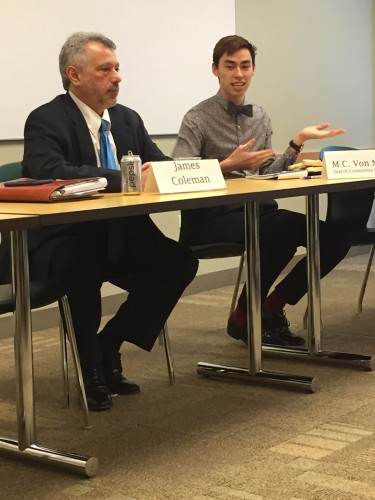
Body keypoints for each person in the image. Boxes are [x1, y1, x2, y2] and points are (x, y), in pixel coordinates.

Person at [22, 32, 199, 411]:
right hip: (64, 239)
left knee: (180, 262)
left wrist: (189, 172)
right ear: (74, 75)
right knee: (82, 268)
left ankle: (107, 345)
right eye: (105, 70)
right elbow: (49, 171)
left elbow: (158, 164)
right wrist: (126, 176)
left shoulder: (127, 119)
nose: (117, 77)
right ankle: (90, 368)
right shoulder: (46, 119)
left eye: (117, 68)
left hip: (120, 233)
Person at [172, 35, 350, 347]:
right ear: (215, 69)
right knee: (276, 231)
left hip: (260, 210)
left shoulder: (261, 116)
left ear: (253, 70)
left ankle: (269, 306)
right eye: (230, 66)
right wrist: (227, 165)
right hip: (212, 217)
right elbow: (177, 174)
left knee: (336, 237)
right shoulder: (197, 118)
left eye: (245, 66)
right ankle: (244, 318)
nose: (238, 74)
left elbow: (267, 172)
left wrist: (297, 143)